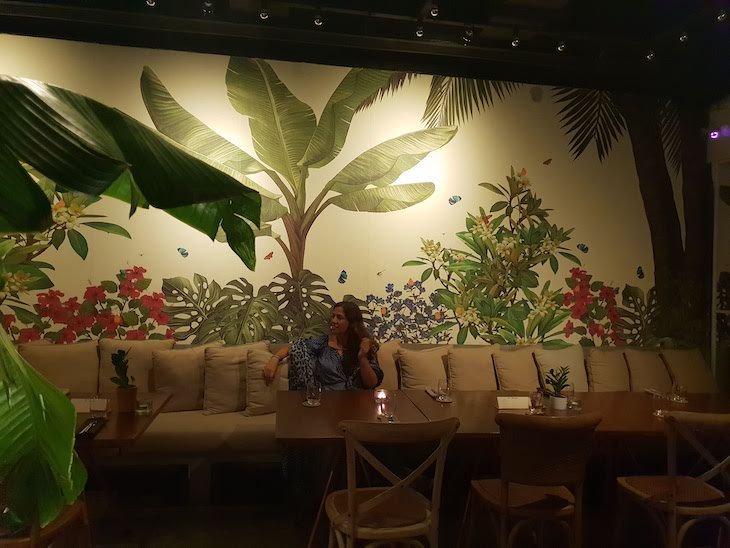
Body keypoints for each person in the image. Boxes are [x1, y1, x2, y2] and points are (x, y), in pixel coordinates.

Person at [263, 301, 383, 390]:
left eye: (339, 317)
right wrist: (275, 359)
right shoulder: (322, 343)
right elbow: (294, 347)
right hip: (327, 402)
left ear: (351, 322)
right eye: (333, 316)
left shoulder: (364, 346)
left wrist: (362, 358)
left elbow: (371, 384)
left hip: (357, 402)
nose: (333, 321)